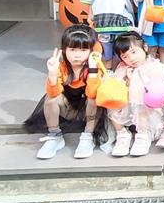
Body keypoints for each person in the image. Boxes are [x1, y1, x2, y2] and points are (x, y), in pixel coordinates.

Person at [24, 24, 105, 160]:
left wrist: (92, 70)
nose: (77, 55)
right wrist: (52, 73)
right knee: (50, 99)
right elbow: (53, 93)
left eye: (83, 50)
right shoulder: (61, 67)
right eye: (72, 49)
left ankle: (87, 136)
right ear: (64, 50)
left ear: (91, 51)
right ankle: (55, 136)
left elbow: (93, 94)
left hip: (90, 112)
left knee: (93, 98)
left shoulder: (94, 67)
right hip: (67, 109)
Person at [107, 32, 164, 157]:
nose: (131, 58)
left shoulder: (154, 66)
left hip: (147, 107)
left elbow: (156, 90)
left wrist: (134, 80)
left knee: (139, 96)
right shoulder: (123, 68)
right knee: (111, 101)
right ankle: (122, 134)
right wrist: (126, 80)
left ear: (145, 47)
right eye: (125, 56)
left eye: (134, 52)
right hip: (126, 104)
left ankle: (143, 135)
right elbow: (116, 85)